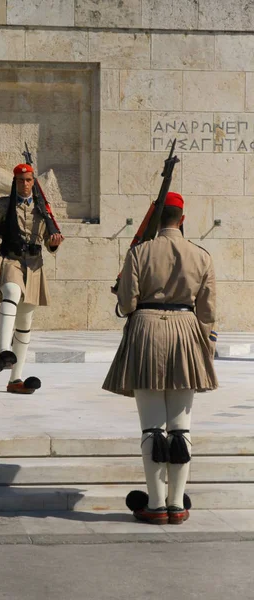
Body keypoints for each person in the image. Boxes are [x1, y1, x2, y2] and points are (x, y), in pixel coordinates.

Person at [103, 192, 218, 525]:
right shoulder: (201, 255)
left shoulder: (139, 253)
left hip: (146, 332)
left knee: (152, 428)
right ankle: (177, 504)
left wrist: (122, 292)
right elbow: (208, 311)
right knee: (180, 429)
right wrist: (205, 349)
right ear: (182, 219)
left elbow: (127, 306)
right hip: (186, 332)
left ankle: (155, 505)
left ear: (157, 219)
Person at [0, 163, 64, 394]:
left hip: (34, 265)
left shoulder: (43, 208)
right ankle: (2, 353)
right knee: (12, 292)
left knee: (25, 324)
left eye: (28, 180)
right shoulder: (2, 205)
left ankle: (15, 380)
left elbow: (49, 240)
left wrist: (54, 244)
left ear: (33, 182)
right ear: (14, 182)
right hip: (10, 259)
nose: (24, 184)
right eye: (20, 180)